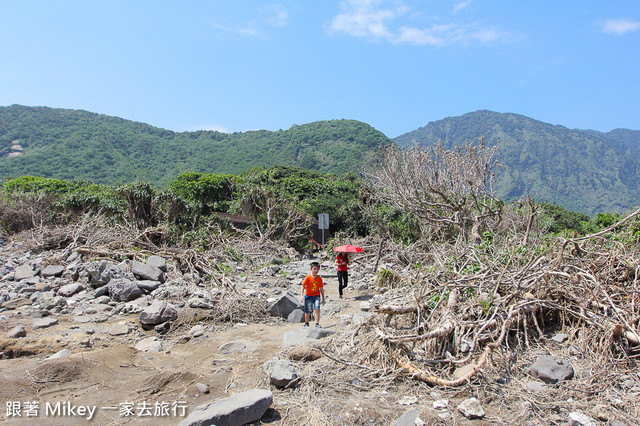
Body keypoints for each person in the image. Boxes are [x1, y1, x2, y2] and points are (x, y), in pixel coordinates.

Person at [300, 261, 325, 327]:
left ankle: (317, 323)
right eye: (314, 269)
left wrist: (323, 299)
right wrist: (301, 296)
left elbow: (321, 289)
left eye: (317, 269)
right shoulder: (308, 277)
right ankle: (306, 323)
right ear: (311, 269)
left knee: (317, 308)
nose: (316, 270)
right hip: (308, 296)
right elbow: (303, 285)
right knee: (307, 310)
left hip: (316, 295)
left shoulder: (319, 279)